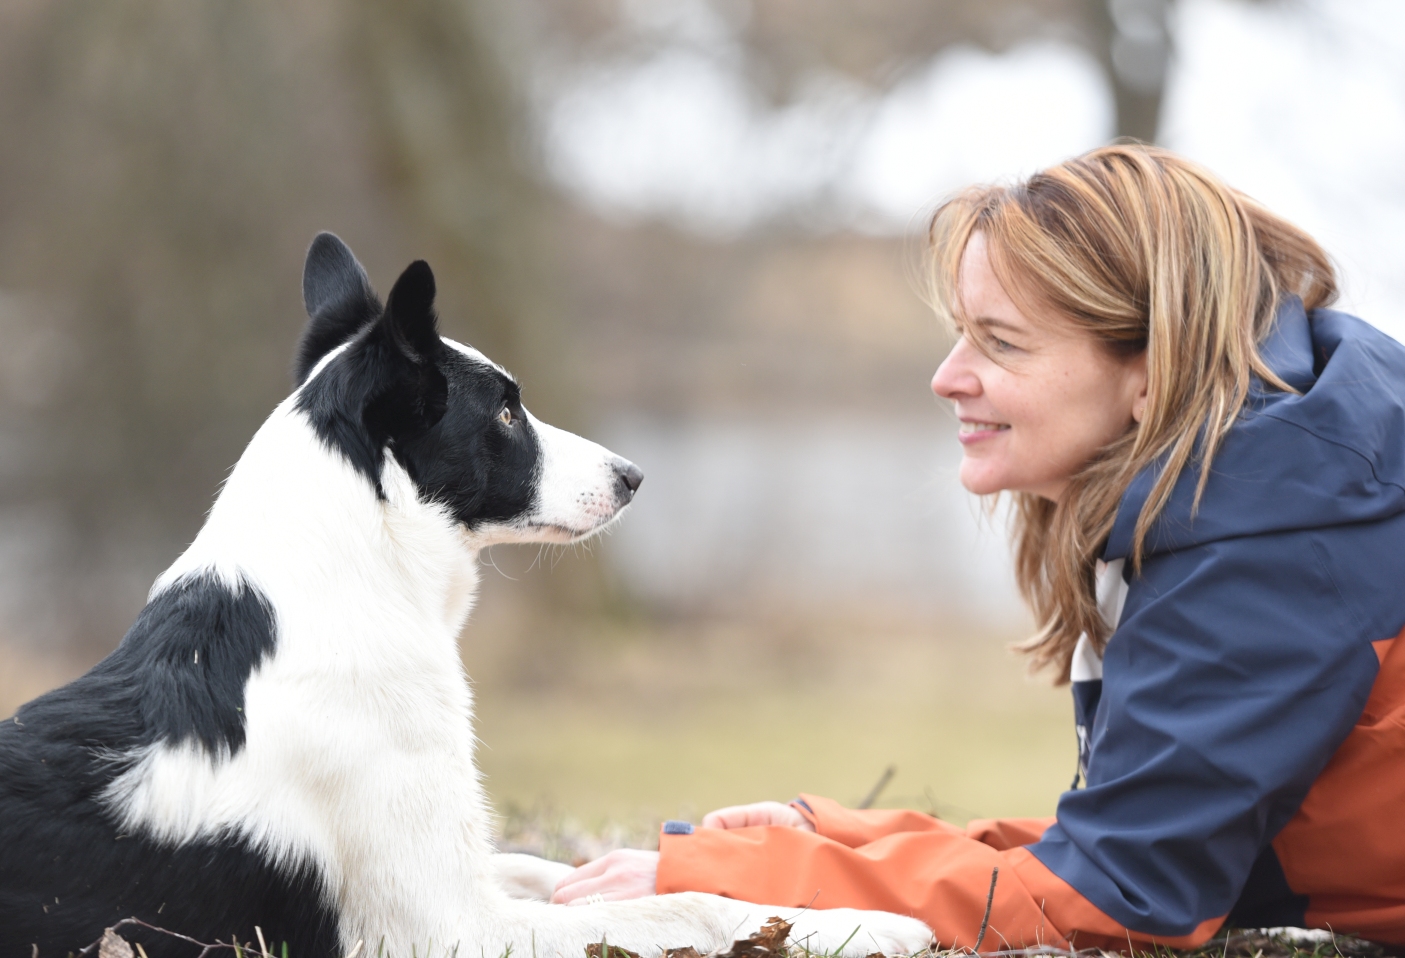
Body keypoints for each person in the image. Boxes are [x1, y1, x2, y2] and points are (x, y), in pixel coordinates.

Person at [549, 145, 1405, 950]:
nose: (947, 375)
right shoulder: (1274, 497)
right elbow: (1152, 839)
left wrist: (737, 877)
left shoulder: (1273, 552)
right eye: (962, 332)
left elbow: (1125, 890)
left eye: (1000, 341)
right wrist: (838, 839)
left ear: (1151, 371)